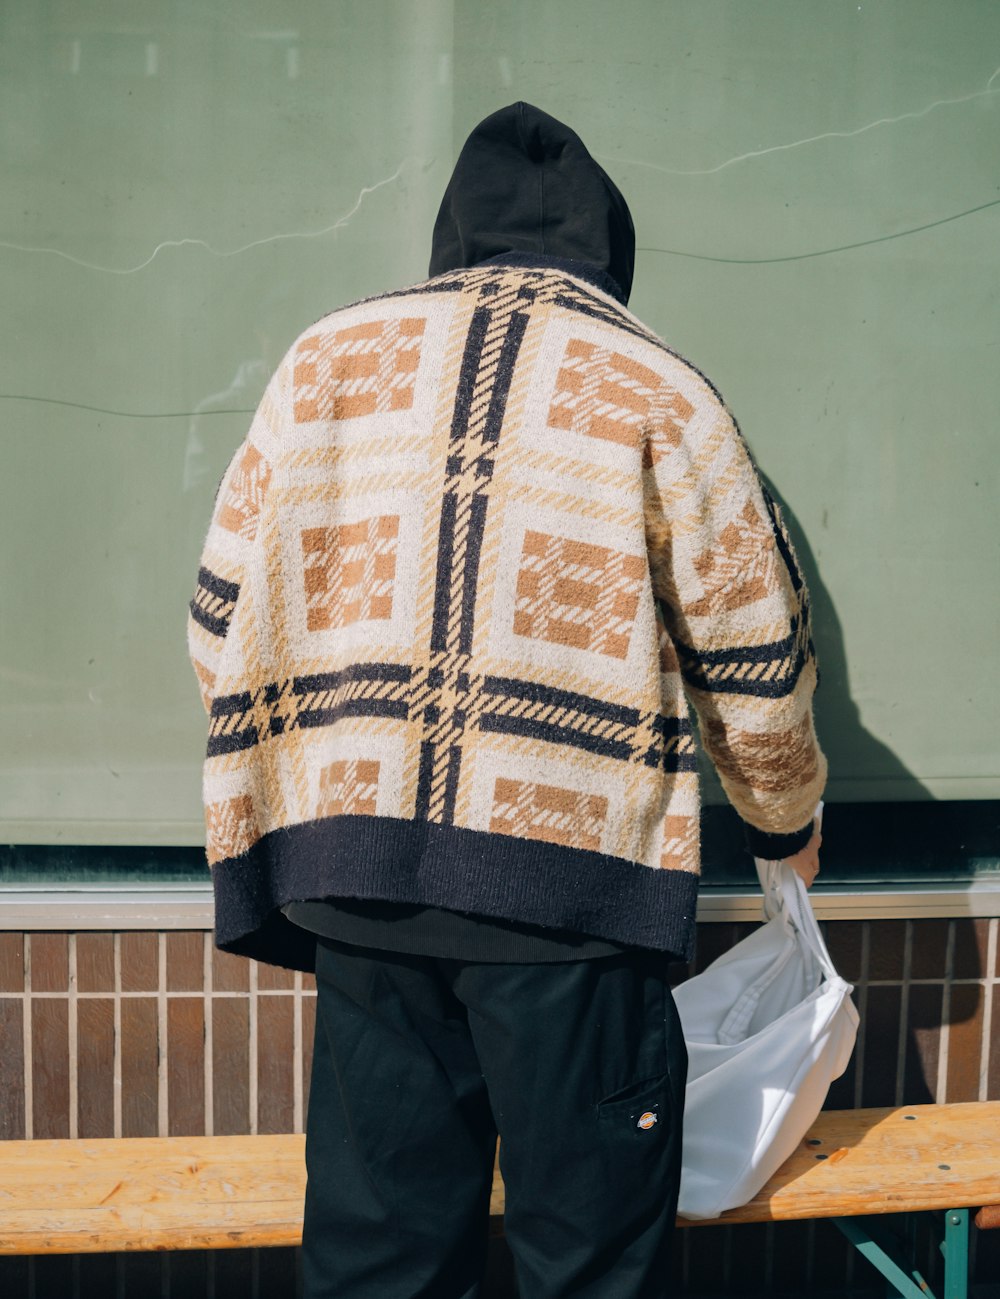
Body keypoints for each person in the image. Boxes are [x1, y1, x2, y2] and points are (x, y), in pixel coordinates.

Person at [188, 101, 824, 1299]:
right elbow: (755, 655)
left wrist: (326, 764)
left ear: (449, 238)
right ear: (609, 253)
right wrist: (786, 826)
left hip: (360, 881)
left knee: (377, 1260)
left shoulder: (328, 358)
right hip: (569, 894)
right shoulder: (658, 386)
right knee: (584, 1262)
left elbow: (219, 617)